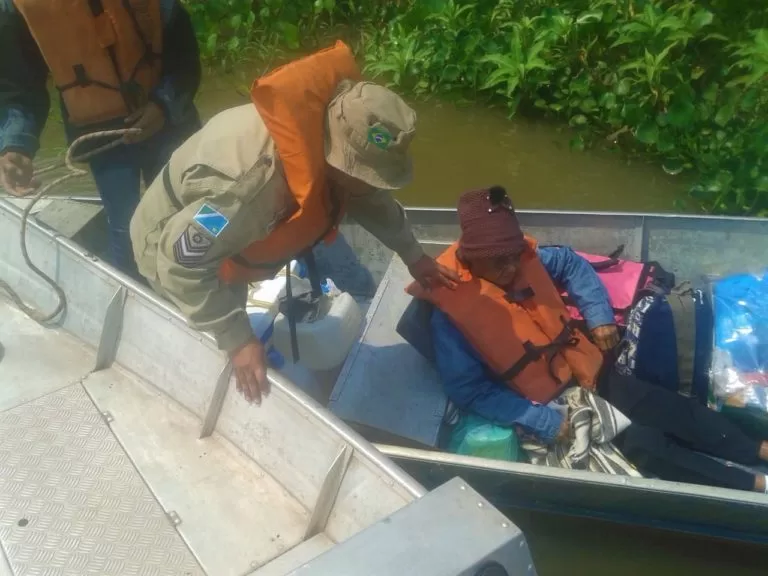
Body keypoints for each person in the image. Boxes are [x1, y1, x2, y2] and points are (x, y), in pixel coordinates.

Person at [129, 41, 458, 406]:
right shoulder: (242, 191)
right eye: (365, 174)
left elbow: (369, 197)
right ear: (336, 155)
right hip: (170, 246)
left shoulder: (333, 134)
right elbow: (180, 262)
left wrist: (414, 256)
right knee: (217, 338)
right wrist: (237, 339)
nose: (369, 183)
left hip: (226, 246)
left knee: (230, 317)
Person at [407, 185, 768, 493]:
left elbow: (570, 263)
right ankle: (753, 486)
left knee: (671, 407)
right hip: (542, 402)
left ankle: (759, 449)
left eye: (515, 256)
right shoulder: (451, 316)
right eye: (500, 262)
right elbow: (467, 390)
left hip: (585, 369)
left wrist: (599, 317)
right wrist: (540, 420)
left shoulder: (523, 259)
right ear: (473, 258)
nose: (512, 268)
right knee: (646, 446)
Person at [0, 0, 201, 278]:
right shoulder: (14, 6)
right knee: (126, 227)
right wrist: (15, 144)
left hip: (169, 120)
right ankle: (138, 301)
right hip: (99, 134)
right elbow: (19, 86)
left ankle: (219, 281)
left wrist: (164, 105)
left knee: (199, 214)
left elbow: (183, 53)